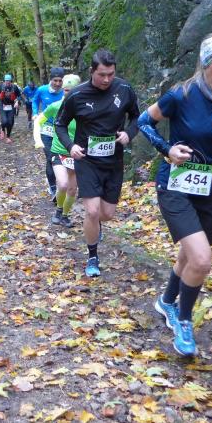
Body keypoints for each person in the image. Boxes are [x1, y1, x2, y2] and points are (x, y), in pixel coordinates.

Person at [137, 32, 212, 358]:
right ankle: (183, 321)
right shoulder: (181, 94)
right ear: (205, 63)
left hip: (209, 185)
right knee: (201, 259)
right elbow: (144, 122)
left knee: (189, 256)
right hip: (174, 183)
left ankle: (165, 302)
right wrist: (167, 149)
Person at [55, 49, 139, 278]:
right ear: (92, 71)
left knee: (106, 214)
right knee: (92, 211)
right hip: (87, 160)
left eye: (111, 74)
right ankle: (92, 256)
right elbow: (60, 124)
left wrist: (129, 133)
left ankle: (95, 225)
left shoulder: (124, 89)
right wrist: (70, 146)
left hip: (114, 161)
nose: (107, 79)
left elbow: (136, 117)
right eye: (102, 74)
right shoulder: (76, 95)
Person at [34, 74, 81, 228]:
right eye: (66, 90)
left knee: (72, 189)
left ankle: (65, 216)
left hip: (76, 153)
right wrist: (38, 140)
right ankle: (59, 210)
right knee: (63, 184)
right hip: (58, 151)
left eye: (71, 90)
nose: (68, 93)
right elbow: (39, 121)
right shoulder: (55, 106)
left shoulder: (84, 109)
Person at [32, 67, 65, 199]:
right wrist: (35, 113)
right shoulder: (42, 90)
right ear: (50, 80)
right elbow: (35, 101)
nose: (57, 83)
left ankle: (63, 183)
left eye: (60, 81)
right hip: (46, 128)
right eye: (55, 80)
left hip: (62, 128)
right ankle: (53, 187)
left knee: (62, 157)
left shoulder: (66, 91)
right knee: (51, 157)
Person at [0, 74, 22, 143]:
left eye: (9, 81)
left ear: (11, 81)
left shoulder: (14, 87)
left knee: (10, 122)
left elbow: (19, 95)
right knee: (4, 121)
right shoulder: (1, 86)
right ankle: (2, 129)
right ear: (4, 81)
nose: (7, 82)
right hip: (2, 105)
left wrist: (17, 102)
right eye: (6, 81)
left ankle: (8, 137)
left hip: (11, 105)